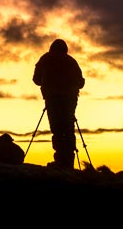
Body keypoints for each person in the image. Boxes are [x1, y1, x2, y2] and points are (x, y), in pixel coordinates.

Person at [32, 38, 86, 169]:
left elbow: (36, 79)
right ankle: (68, 162)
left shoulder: (46, 58)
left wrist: (49, 83)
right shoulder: (71, 61)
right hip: (70, 99)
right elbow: (81, 83)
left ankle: (60, 161)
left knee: (57, 129)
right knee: (68, 128)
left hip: (52, 98)